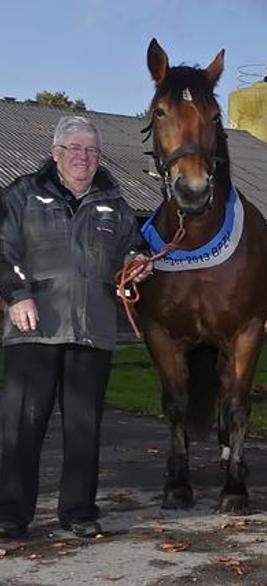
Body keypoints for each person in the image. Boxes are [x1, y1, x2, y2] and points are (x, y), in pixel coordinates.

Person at [0, 115, 148, 539]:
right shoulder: (23, 195)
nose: (84, 157)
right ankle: (11, 512)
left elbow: (132, 249)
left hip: (92, 331)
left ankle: (79, 510)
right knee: (23, 424)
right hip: (34, 329)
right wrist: (17, 294)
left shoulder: (114, 203)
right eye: (75, 149)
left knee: (84, 427)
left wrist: (135, 266)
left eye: (92, 150)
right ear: (56, 153)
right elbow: (2, 248)